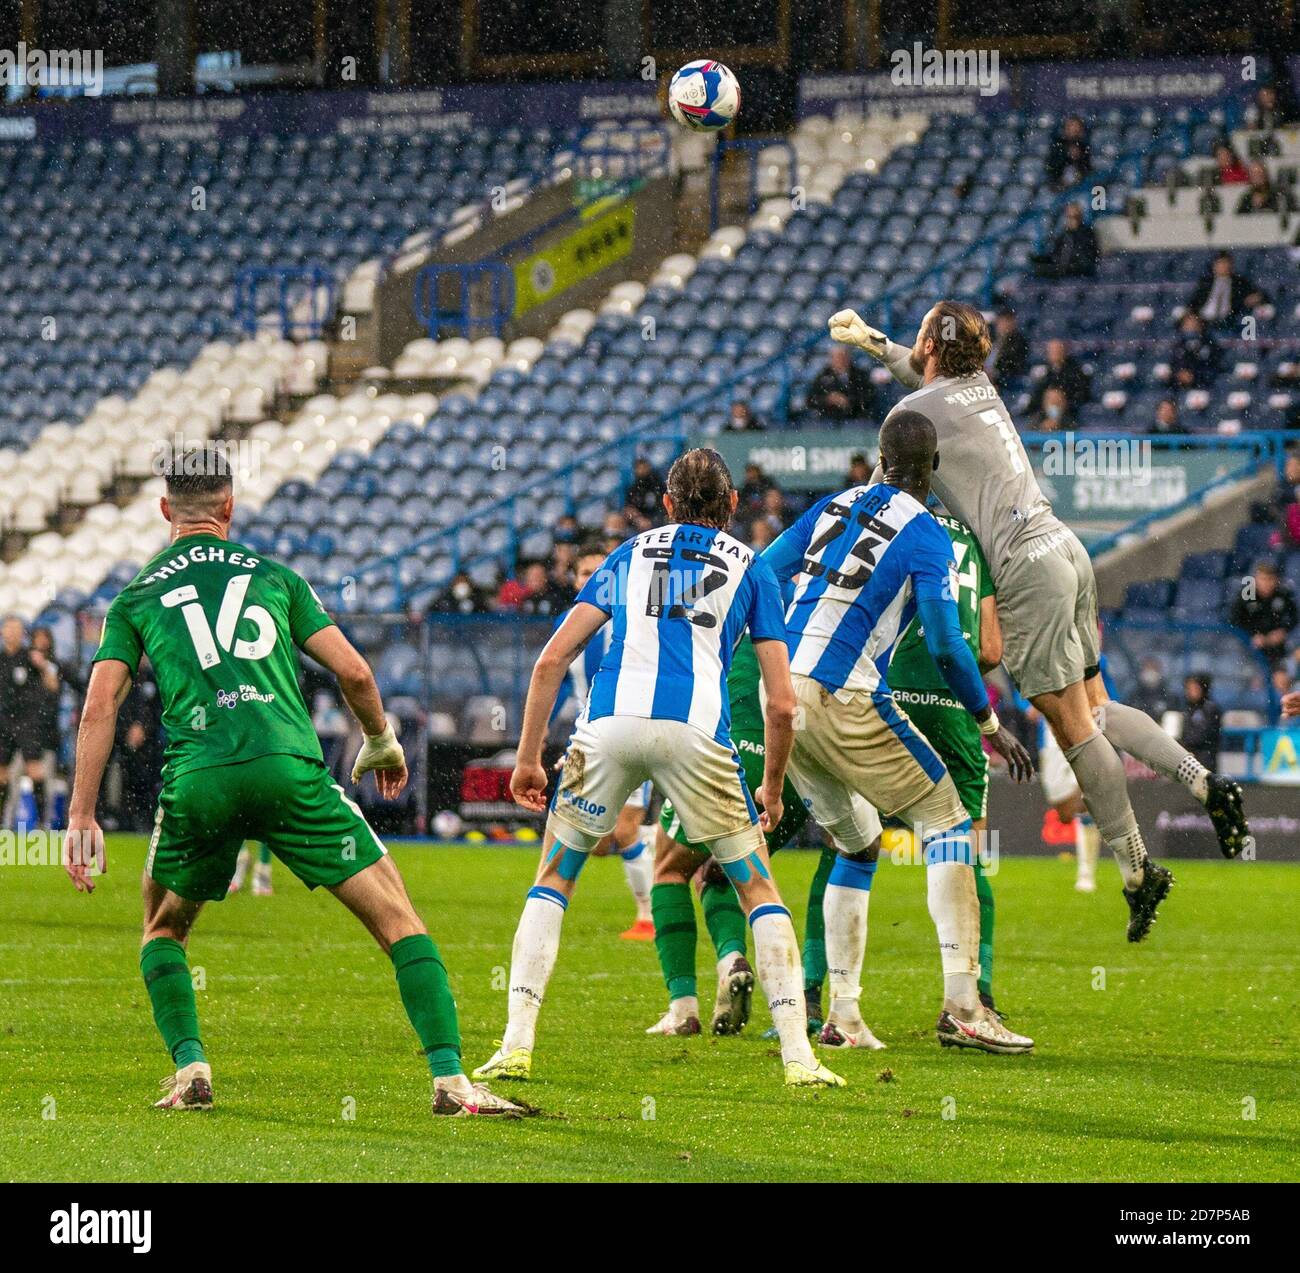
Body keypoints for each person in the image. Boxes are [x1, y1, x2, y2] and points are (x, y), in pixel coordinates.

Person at [62, 446, 520, 1117]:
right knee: (398, 919)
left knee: (163, 929)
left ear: (165, 509)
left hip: (200, 779)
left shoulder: (135, 597)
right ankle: (450, 1081)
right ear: (229, 507)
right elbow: (357, 674)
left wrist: (80, 812)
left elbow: (99, 704)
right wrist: (380, 742)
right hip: (289, 770)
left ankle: (191, 1069)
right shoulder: (275, 577)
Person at [829, 299, 1252, 940]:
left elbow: (911, 423)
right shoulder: (979, 388)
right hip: (1065, 547)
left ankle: (1138, 870)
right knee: (1099, 707)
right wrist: (876, 344)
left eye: (921, 335)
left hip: (1025, 569)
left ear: (934, 346)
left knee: (1073, 727)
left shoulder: (913, 414)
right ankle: (1204, 783)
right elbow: (926, 379)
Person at [474, 448, 846, 1090]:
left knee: (555, 878)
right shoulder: (753, 570)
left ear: (668, 505)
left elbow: (550, 661)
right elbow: (782, 703)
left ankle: (515, 1045)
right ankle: (799, 1059)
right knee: (757, 887)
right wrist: (773, 787)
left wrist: (529, 758)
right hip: (697, 731)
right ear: (732, 507)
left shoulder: (627, 555)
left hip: (609, 725)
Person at [761, 411, 1037, 1053]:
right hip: (842, 690)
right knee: (946, 822)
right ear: (933, 468)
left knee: (858, 843)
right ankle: (965, 1007)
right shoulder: (926, 532)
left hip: (788, 696)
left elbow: (764, 575)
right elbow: (945, 642)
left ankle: (844, 1017)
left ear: (879, 459)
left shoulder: (835, 503)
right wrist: (990, 722)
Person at [644, 632, 874, 1044]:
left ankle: (687, 1004)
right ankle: (812, 996)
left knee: (670, 869)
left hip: (732, 751)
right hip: (801, 761)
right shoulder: (815, 614)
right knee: (749, 870)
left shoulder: (741, 592)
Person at [885, 513, 1010, 1016]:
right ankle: (975, 997)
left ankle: (818, 999)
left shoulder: (890, 524)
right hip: (954, 706)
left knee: (849, 845)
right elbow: (991, 649)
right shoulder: (978, 538)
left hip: (886, 698)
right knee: (971, 850)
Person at [548, 541, 658, 940]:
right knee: (592, 841)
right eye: (583, 573)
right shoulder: (566, 623)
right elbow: (557, 679)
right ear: (574, 580)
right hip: (584, 740)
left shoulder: (632, 621)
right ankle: (655, 840)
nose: (592, 580)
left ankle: (647, 917)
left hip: (628, 733)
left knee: (625, 830)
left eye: (600, 572)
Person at [0, 617, 59, 829]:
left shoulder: (30, 657)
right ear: (2, 633)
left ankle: (43, 822)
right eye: (8, 629)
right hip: (4, 723)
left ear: (22, 633)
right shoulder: (1, 659)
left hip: (28, 723)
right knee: (2, 775)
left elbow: (53, 685)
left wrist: (44, 667)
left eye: (16, 629)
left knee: (35, 771)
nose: (12, 633)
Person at [1230, 562, 1298, 670]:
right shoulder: (1247, 593)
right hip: (1250, 646)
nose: (1266, 583)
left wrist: (1283, 631)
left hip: (1277, 647)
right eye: (1262, 579)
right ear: (1256, 580)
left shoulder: (1283, 593)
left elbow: (1294, 617)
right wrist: (1252, 635)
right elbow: (1234, 619)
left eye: (1270, 579)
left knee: (1281, 671)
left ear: (1276, 580)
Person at [1189, 251, 1267, 325]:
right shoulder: (1206, 282)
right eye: (1220, 263)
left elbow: (1260, 295)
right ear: (1214, 266)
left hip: (1229, 320)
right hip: (1203, 320)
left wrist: (1254, 298)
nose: (1224, 266)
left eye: (1226, 263)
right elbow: (1193, 301)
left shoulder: (1239, 282)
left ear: (1231, 265)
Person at [807, 345, 876, 422]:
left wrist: (848, 401)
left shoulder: (860, 376)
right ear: (831, 359)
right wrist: (828, 399)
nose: (840, 361)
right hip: (827, 421)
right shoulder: (823, 376)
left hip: (855, 420)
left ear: (849, 358)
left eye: (843, 357)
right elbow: (811, 400)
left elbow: (868, 397)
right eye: (837, 358)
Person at [1033, 202, 1098, 279]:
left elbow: (1086, 256)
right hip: (1065, 270)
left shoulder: (1087, 233)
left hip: (1079, 272)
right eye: (1067, 217)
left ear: (1079, 217)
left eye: (1073, 217)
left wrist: (1066, 264)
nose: (1069, 220)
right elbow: (1055, 253)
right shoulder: (1064, 234)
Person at [1029, 337, 1092, 415]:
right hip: (1044, 412)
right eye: (1052, 351)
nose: (1055, 354)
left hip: (1068, 412)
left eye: (1058, 351)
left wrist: (1059, 400)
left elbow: (1080, 395)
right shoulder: (1045, 371)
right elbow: (1038, 395)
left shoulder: (1075, 371)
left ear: (1064, 351)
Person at [1180, 674, 1221, 772]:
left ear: (1203, 689)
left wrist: (1184, 743)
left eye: (1195, 688)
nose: (1190, 692)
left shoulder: (1210, 709)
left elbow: (1203, 735)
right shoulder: (1187, 708)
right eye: (1188, 688)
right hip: (1189, 760)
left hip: (1205, 760)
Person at [1170, 312, 1222, 389]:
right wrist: (1178, 374)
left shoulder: (1209, 344)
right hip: (1178, 386)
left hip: (1204, 385)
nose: (1191, 328)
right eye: (1187, 325)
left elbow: (1214, 366)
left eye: (1194, 324)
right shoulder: (1177, 345)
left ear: (1200, 326)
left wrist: (1194, 375)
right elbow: (1173, 364)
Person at [1046, 115, 1092, 189]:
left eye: (1076, 127)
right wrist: (1066, 154)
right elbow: (1051, 167)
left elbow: (1087, 168)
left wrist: (1078, 157)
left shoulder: (1084, 146)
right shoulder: (1057, 145)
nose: (1073, 129)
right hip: (1058, 185)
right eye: (1070, 126)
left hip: (1080, 186)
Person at [988, 309, 1030, 386]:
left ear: (1013, 323)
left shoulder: (1019, 342)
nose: (1003, 325)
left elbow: (1012, 364)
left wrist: (995, 372)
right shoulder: (991, 337)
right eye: (1001, 321)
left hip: (1006, 379)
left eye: (1006, 321)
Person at [624, 456, 666, 523]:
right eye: (639, 468)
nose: (642, 470)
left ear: (649, 467)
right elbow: (629, 509)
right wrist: (639, 519)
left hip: (660, 518)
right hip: (642, 523)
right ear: (635, 470)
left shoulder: (658, 483)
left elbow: (665, 500)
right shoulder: (633, 489)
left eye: (644, 467)